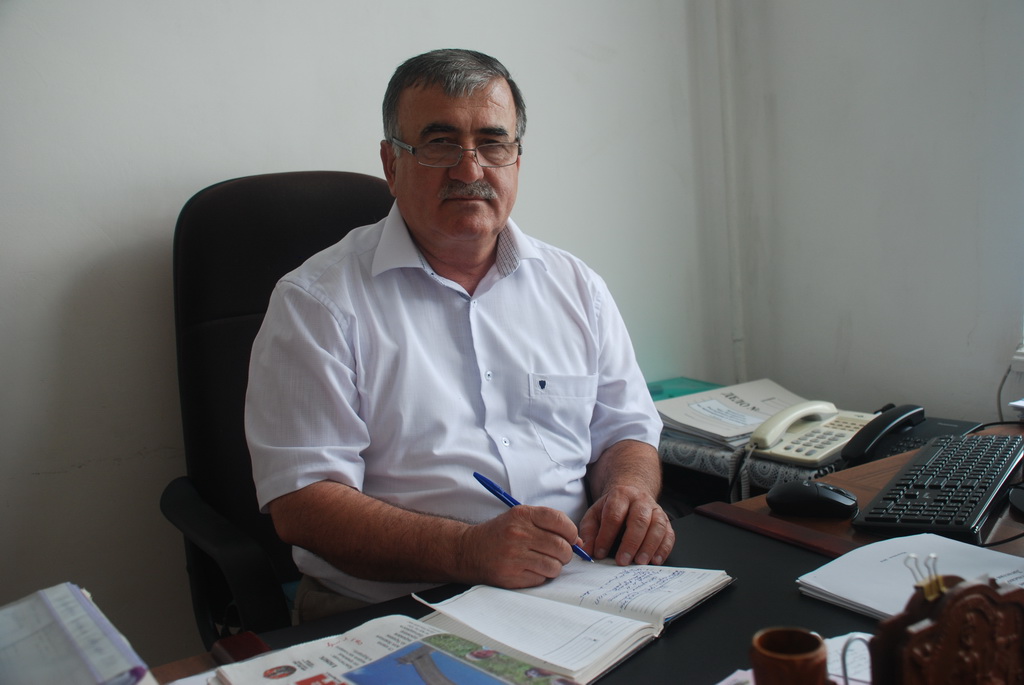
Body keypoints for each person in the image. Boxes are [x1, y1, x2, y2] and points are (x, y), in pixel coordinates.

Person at [245, 48, 674, 620]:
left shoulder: (577, 287)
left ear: (516, 159)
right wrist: (466, 551)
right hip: (396, 607)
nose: (470, 171)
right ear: (391, 164)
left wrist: (630, 493)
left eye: (493, 144)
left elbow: (625, 431)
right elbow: (303, 503)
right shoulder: (317, 303)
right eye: (440, 144)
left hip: (578, 587)